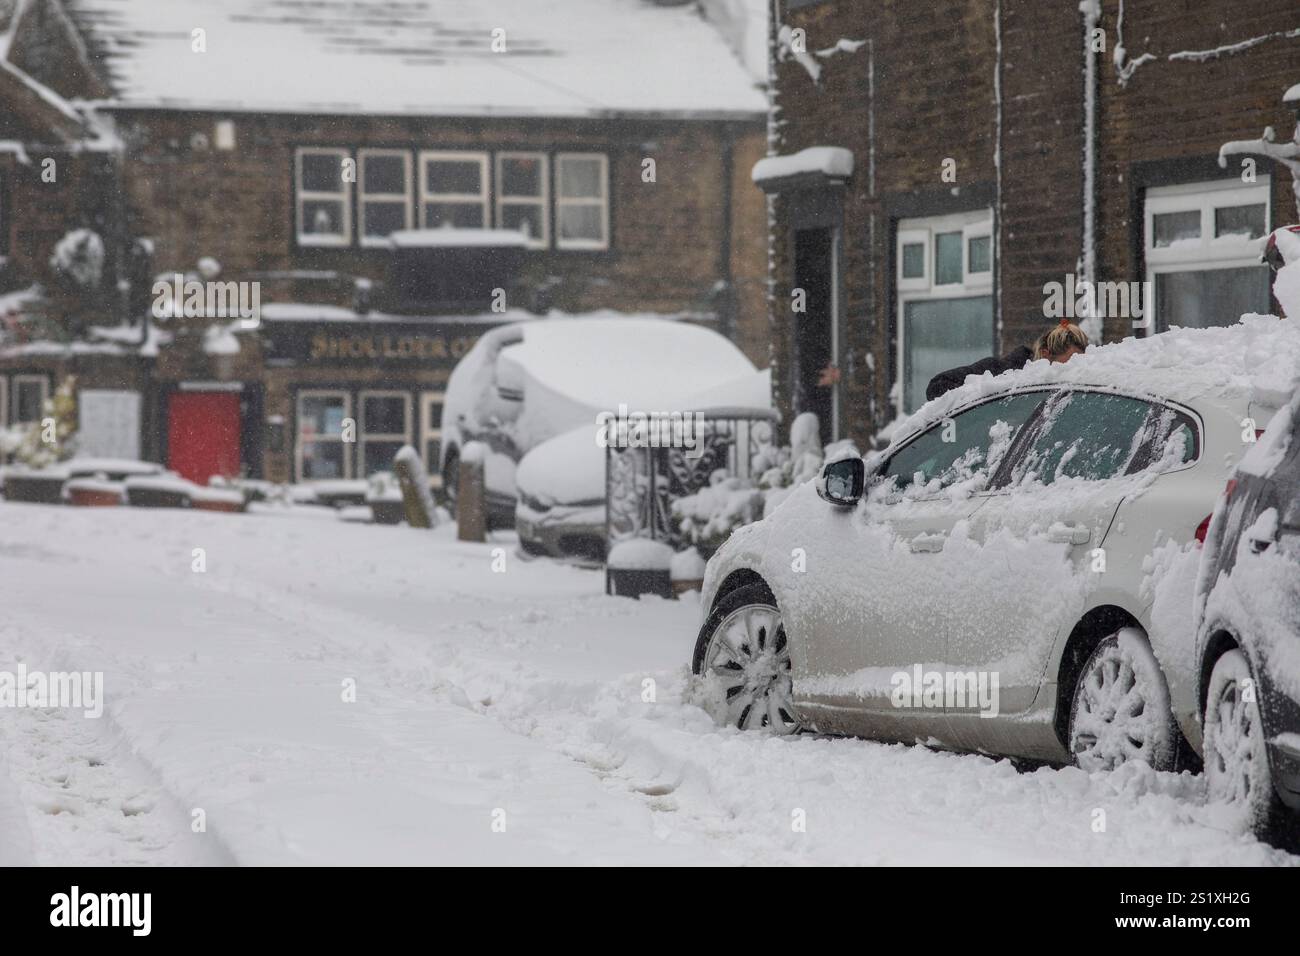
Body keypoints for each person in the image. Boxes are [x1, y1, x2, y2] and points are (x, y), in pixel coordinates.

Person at [925, 319, 1089, 402]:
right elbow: (937, 386)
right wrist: (988, 402)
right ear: (1046, 355)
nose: (1072, 370)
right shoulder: (1000, 372)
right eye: (1068, 363)